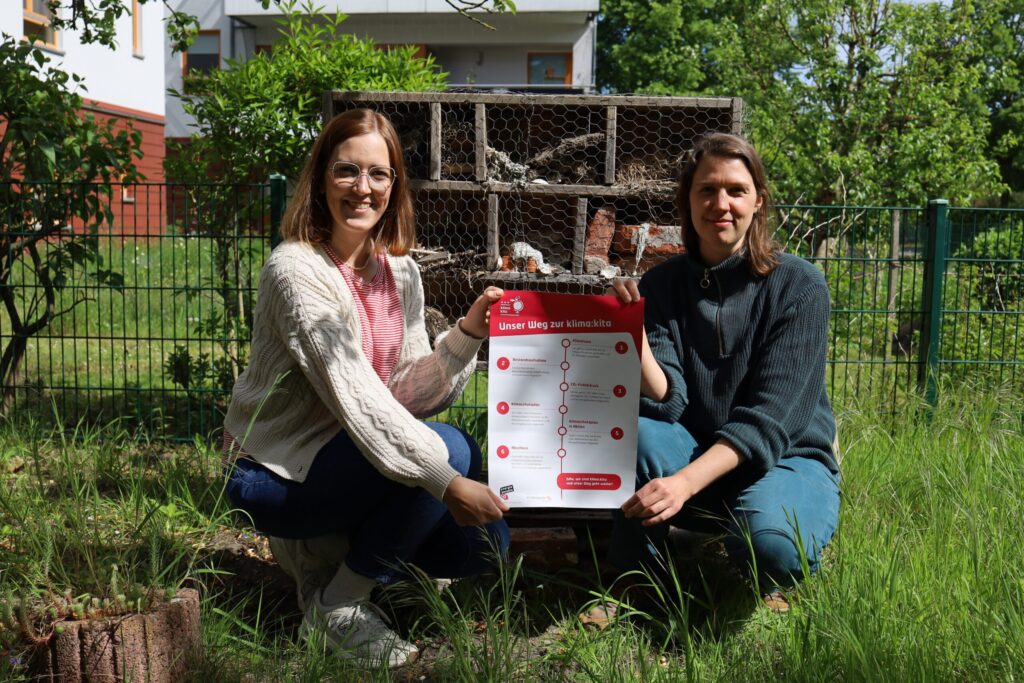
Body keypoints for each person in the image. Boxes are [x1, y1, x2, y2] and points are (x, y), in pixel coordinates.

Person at [222, 108, 510, 666]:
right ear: (320, 180)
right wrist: (446, 481)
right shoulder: (295, 270)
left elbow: (407, 393)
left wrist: (468, 334)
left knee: (483, 546)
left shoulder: (400, 272)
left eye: (378, 174)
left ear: (394, 185)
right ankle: (337, 605)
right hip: (275, 472)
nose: (363, 187)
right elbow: (357, 396)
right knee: (450, 452)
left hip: (353, 457)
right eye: (346, 170)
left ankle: (350, 554)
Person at [606, 133, 841, 605]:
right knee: (631, 436)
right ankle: (637, 580)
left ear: (758, 201)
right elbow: (668, 399)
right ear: (688, 201)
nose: (721, 204)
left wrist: (683, 484)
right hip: (694, 449)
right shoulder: (661, 284)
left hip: (787, 456)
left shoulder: (800, 286)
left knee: (772, 547)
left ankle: (773, 541)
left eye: (736, 190)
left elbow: (769, 421)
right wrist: (635, 338)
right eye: (707, 190)